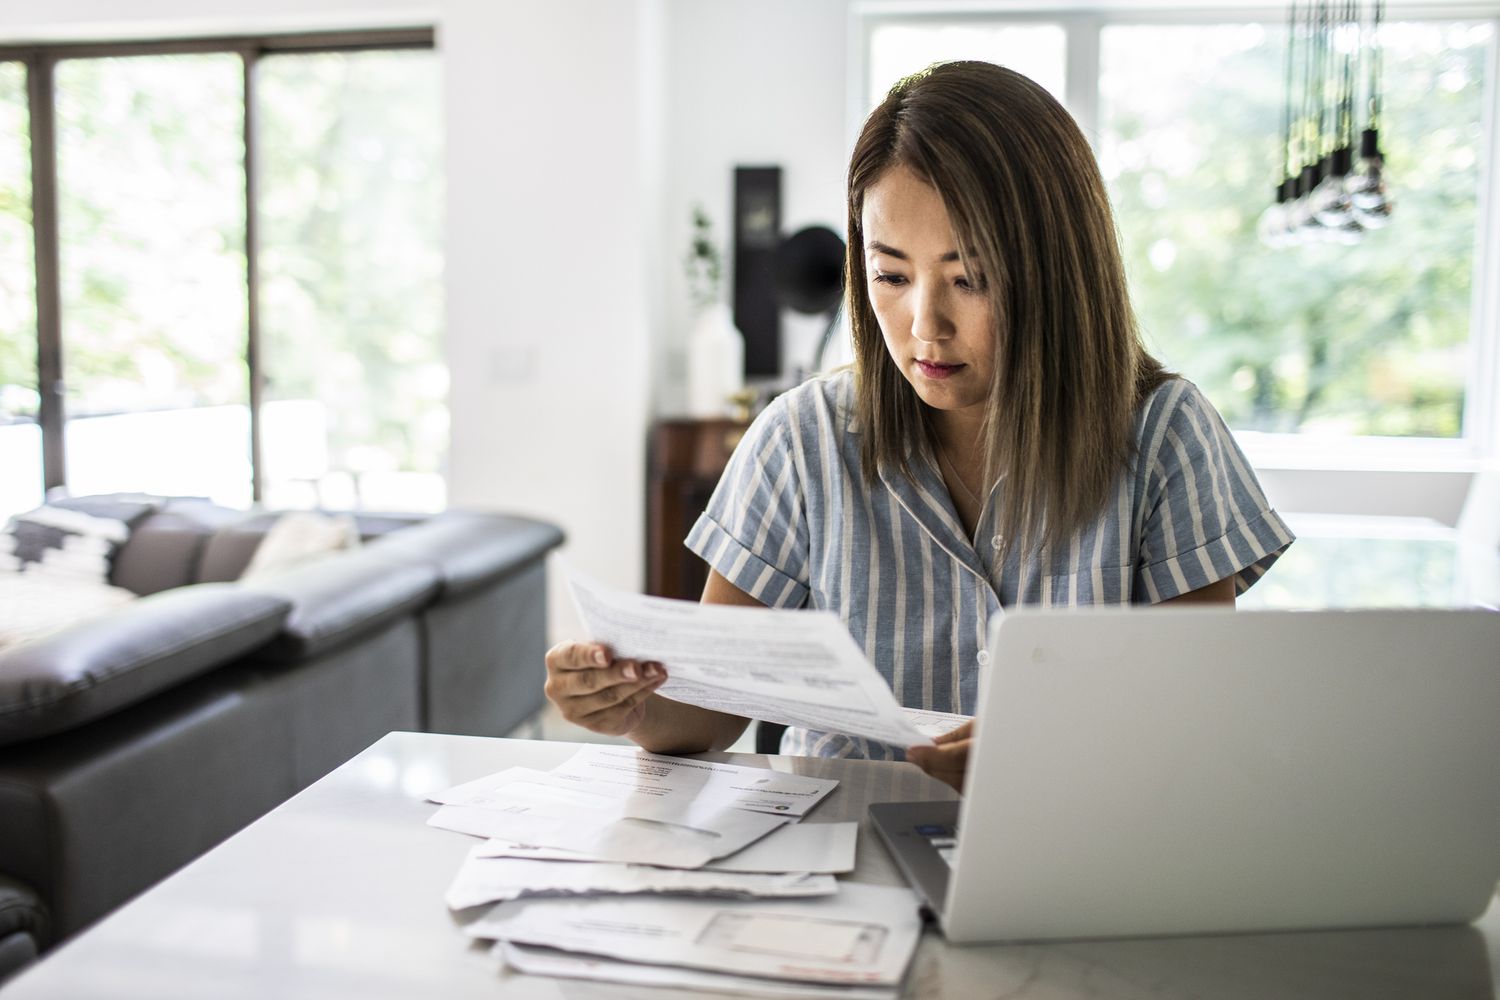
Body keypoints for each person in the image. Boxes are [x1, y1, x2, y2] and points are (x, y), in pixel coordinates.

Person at [545, 61, 1294, 791]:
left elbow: (1201, 720)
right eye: (891, 276)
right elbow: (709, 711)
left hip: (1078, 855)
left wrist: (1048, 751)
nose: (923, 325)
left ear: (1058, 272)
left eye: (971, 280)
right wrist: (632, 704)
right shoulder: (802, 439)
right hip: (836, 867)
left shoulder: (1166, 437)